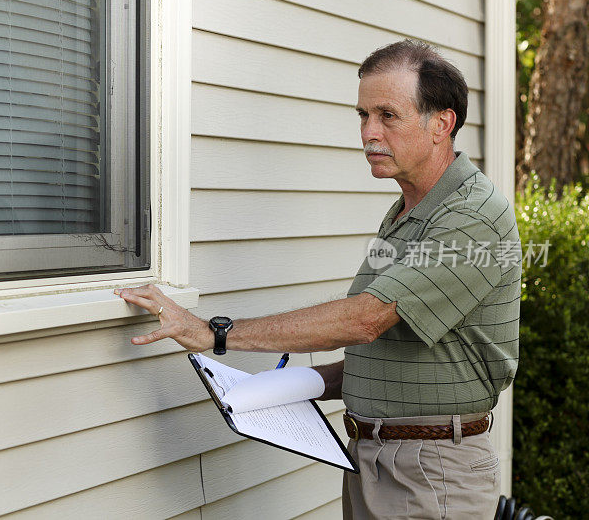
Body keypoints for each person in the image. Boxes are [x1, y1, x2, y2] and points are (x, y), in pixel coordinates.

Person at [115, 39, 520, 519]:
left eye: (387, 116)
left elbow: (368, 319)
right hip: (374, 458)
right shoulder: (408, 213)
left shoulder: (472, 218)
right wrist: (303, 384)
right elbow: (397, 354)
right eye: (362, 115)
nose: (368, 133)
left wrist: (214, 333)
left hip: (429, 471)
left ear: (442, 123)